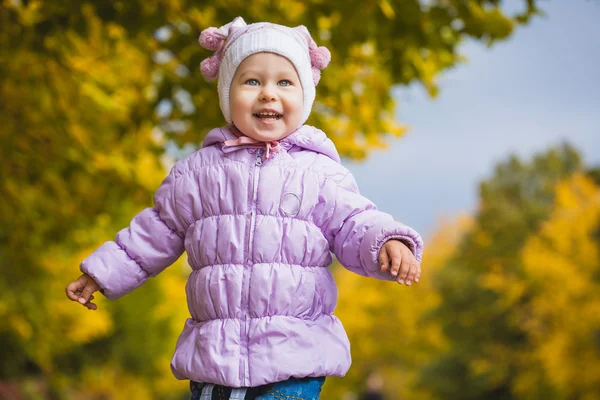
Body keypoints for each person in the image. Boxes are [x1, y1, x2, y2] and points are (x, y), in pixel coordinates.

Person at [65, 17, 424, 400]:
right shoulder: (197, 173)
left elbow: (355, 222)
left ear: (304, 96)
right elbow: (154, 231)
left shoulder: (318, 174)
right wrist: (102, 274)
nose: (268, 94)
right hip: (214, 358)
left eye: (284, 82)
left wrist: (388, 241)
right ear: (226, 93)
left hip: (292, 358)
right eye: (252, 81)